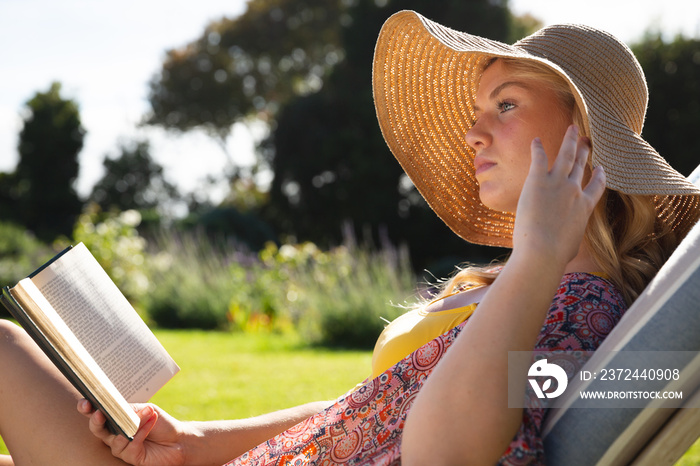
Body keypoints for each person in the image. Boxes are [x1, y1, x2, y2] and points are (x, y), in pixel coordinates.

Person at [1, 9, 699, 466]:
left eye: (507, 103)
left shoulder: (581, 317)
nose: (473, 131)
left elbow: (442, 455)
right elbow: (370, 412)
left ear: (585, 143)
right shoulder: (525, 293)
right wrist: (192, 440)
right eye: (479, 108)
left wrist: (541, 254)